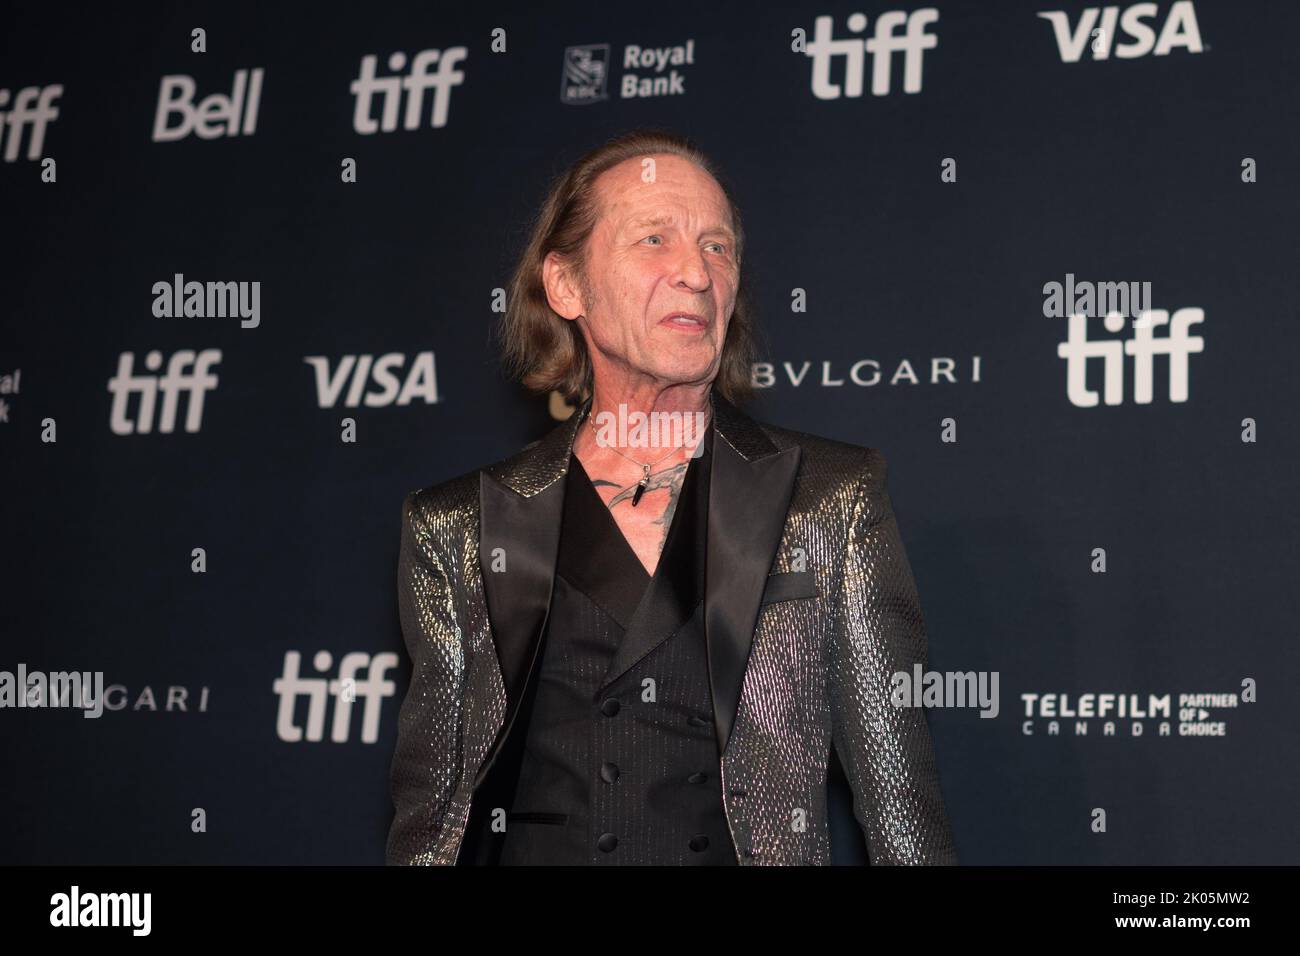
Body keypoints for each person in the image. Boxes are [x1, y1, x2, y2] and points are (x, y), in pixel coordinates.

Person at [386, 128, 957, 865]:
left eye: (718, 247)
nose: (696, 272)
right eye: (654, 239)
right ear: (566, 286)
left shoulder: (828, 497)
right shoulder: (458, 524)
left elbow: (901, 809)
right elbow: (434, 821)